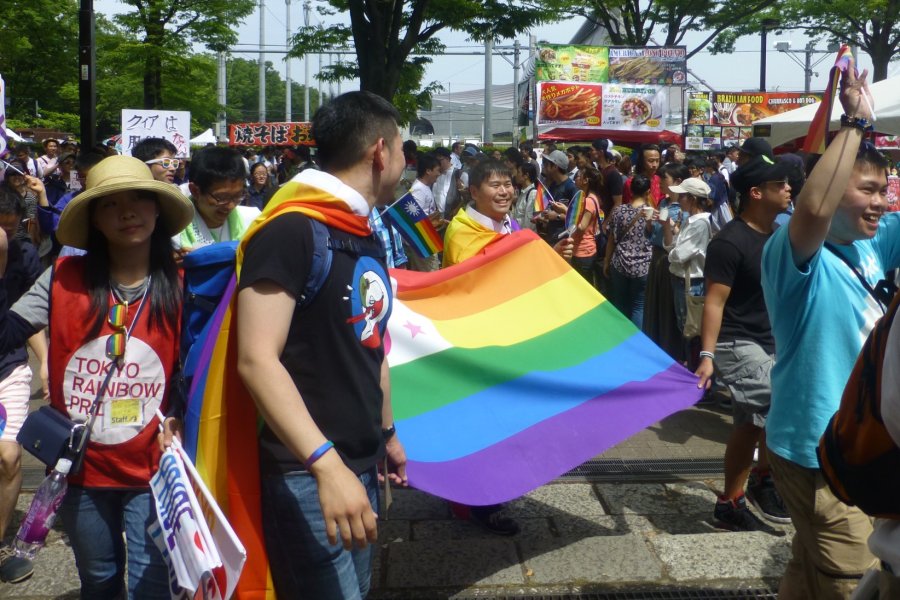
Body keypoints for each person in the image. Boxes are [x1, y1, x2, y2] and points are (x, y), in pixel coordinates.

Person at [236, 91, 408, 599]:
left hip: (359, 464)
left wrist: (387, 433)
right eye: (402, 149)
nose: (404, 161)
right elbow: (256, 359)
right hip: (307, 474)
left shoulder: (360, 230)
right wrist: (328, 469)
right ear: (380, 151)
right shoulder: (292, 229)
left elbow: (371, 342)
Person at [0, 155, 192, 597]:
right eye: (110, 204)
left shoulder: (184, 281)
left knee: (152, 583)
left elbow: (194, 368)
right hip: (79, 468)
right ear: (94, 220)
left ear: (158, 207)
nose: (127, 212)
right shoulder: (64, 277)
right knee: (99, 577)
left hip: (155, 467)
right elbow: (8, 332)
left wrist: (180, 414)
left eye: (140, 199)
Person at [761, 61, 900, 599]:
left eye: (885, 190)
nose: (880, 202)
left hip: (848, 441)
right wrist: (855, 126)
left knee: (807, 568)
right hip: (822, 449)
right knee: (850, 582)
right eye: (866, 190)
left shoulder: (873, 242)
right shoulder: (794, 256)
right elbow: (814, 206)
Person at [695, 156, 792, 532]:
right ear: (756, 193)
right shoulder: (729, 242)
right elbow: (714, 302)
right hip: (737, 341)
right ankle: (752, 485)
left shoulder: (779, 236)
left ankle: (738, 496)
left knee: (758, 418)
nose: (788, 189)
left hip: (772, 340)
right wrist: (706, 355)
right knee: (764, 408)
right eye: (780, 184)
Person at [0, 190, 45, 584]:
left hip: (9, 367)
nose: (4, 236)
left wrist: (45, 358)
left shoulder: (24, 255)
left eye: (9, 230)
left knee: (9, 457)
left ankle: (0, 542)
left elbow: (30, 315)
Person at [174, 146, 259, 253]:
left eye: (238, 195)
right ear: (195, 191)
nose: (231, 206)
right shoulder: (175, 231)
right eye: (222, 198)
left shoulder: (253, 222)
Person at [644, 163, 689, 361]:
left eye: (665, 179)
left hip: (670, 259)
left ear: (678, 182)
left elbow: (684, 238)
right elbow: (652, 234)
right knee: (656, 304)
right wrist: (648, 223)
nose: (661, 183)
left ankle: (673, 350)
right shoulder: (663, 203)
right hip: (656, 258)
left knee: (670, 307)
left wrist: (668, 224)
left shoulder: (684, 210)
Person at [664, 177, 713, 341]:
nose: (679, 199)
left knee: (689, 328)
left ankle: (692, 364)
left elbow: (679, 254)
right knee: (684, 325)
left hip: (690, 282)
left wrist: (672, 252)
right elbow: (673, 247)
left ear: (692, 199)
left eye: (682, 196)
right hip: (683, 279)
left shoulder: (699, 223)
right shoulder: (691, 220)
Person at [604, 174, 654, 328]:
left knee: (620, 303)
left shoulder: (619, 211)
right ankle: (636, 340)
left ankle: (619, 337)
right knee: (638, 306)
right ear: (648, 192)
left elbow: (611, 238)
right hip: (643, 266)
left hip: (619, 263)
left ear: (630, 191)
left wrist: (606, 261)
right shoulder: (650, 213)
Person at [405, 153, 442, 272]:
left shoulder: (424, 187)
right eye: (437, 170)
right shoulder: (418, 190)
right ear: (428, 171)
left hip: (425, 240)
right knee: (431, 274)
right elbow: (413, 219)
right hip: (422, 242)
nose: (439, 174)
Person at [571, 166, 603, 285]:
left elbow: (581, 227)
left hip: (582, 251)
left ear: (586, 181)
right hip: (587, 248)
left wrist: (566, 213)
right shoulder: (593, 198)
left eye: (578, 176)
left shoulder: (588, 201)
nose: (575, 179)